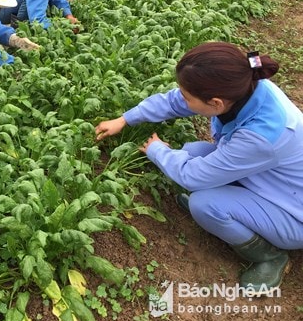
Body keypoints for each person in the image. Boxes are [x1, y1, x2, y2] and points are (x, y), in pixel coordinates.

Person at [95, 41, 303, 295]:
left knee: (205, 204)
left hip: (293, 213)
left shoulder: (260, 137)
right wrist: (124, 119)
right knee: (192, 152)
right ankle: (238, 210)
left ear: (215, 103)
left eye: (187, 96)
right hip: (270, 180)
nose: (181, 98)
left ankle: (269, 256)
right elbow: (173, 102)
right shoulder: (243, 87)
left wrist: (157, 150)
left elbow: (191, 176)